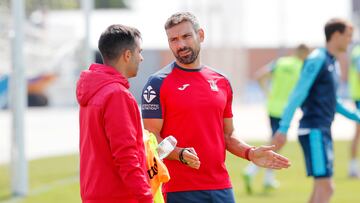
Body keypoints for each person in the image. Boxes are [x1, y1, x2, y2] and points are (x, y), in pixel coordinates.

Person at [141, 12, 291, 203]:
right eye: (174, 40)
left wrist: (250, 152)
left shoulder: (221, 82)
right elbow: (151, 140)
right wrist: (180, 154)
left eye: (186, 36)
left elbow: (227, 135)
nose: (181, 45)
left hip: (221, 187)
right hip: (178, 188)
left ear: (200, 35)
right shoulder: (156, 84)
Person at [272, 18, 360, 203]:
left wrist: (356, 116)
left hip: (322, 131)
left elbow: (334, 102)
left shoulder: (332, 62)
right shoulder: (317, 59)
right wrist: (283, 127)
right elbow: (298, 93)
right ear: (336, 35)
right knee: (326, 188)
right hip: (314, 131)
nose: (350, 40)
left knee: (321, 189)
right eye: (348, 36)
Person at [76, 24, 153, 203]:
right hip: (119, 197)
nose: (141, 58)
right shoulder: (116, 94)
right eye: (139, 52)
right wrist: (145, 198)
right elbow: (126, 156)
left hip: (94, 195)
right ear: (127, 55)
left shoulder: (94, 89)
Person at [243, 44, 310, 193]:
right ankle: (251, 170)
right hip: (286, 109)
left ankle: (268, 179)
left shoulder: (280, 62)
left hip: (272, 106)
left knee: (276, 141)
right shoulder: (302, 67)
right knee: (278, 141)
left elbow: (259, 76)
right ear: (305, 53)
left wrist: (268, 93)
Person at [348, 43, 360, 178]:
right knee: (358, 132)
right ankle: (353, 167)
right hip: (359, 97)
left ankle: (353, 167)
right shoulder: (358, 52)